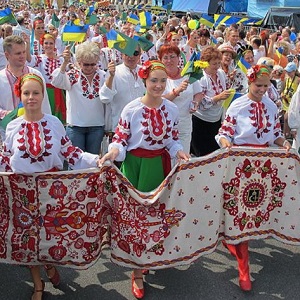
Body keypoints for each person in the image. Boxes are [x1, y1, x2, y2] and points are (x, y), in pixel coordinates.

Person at [0, 73, 100, 300]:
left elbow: (69, 152)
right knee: (27, 241)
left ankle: (49, 265)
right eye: (26, 93)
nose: (31, 97)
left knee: (51, 236)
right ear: (20, 96)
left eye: (36, 93)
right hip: (21, 193)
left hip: (51, 192)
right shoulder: (13, 126)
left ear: (43, 95)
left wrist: (96, 160)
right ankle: (38, 284)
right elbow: (5, 158)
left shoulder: (54, 123)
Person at [99, 60, 190, 299]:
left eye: (162, 81)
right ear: (144, 81)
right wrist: (112, 152)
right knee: (136, 217)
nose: (159, 85)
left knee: (157, 214)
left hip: (159, 166)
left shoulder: (170, 109)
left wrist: (179, 151)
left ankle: (151, 254)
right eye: (154, 81)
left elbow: (171, 139)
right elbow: (120, 138)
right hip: (136, 166)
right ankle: (137, 271)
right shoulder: (131, 109)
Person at [216, 65, 291, 291]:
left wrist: (284, 143)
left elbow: (275, 134)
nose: (262, 89)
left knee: (253, 213)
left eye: (266, 86)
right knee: (242, 214)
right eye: (258, 85)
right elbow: (224, 133)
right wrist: (227, 143)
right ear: (249, 83)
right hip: (240, 164)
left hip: (263, 166)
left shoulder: (270, 105)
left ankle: (234, 241)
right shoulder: (237, 105)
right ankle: (243, 270)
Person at [51, 42, 106, 155]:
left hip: (96, 126)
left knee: (93, 162)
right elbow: (56, 81)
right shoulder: (73, 75)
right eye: (86, 64)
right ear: (79, 62)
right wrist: (65, 63)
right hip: (75, 127)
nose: (90, 67)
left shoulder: (103, 76)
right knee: (75, 163)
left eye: (93, 64)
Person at [0, 35, 51, 140]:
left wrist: (48, 129)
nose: (22, 56)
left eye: (24, 52)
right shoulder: (1, 78)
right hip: (8, 136)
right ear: (7, 55)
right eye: (18, 53)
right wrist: (7, 114)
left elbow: (45, 104)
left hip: (36, 134)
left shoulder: (36, 74)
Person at [159, 44, 202, 153]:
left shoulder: (187, 74)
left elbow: (198, 93)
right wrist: (176, 91)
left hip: (184, 125)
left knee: (182, 158)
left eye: (172, 57)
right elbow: (157, 100)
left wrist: (196, 103)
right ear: (161, 60)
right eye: (165, 57)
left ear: (179, 58)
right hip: (164, 127)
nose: (169, 61)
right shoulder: (158, 77)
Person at [190, 46, 232, 157]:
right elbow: (201, 103)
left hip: (216, 119)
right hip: (201, 121)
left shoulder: (221, 73)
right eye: (214, 64)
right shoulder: (201, 78)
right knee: (203, 156)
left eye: (219, 63)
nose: (217, 66)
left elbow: (226, 87)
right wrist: (218, 98)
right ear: (205, 63)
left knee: (215, 153)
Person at [99, 46, 146, 133]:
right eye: (127, 53)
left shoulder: (145, 71)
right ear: (122, 55)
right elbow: (105, 98)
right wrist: (111, 76)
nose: (131, 56)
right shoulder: (114, 71)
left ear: (140, 55)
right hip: (120, 127)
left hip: (142, 126)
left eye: (135, 53)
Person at [26, 33, 67, 124]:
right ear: (42, 45)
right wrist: (28, 44)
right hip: (46, 92)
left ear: (54, 44)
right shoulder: (40, 59)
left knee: (59, 118)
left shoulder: (61, 60)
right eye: (46, 43)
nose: (48, 46)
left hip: (59, 92)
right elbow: (29, 59)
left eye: (51, 43)